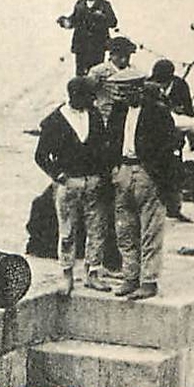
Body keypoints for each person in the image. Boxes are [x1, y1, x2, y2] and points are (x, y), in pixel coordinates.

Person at [102, 67, 186, 300]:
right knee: (125, 228)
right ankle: (130, 276)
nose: (121, 95)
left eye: (126, 90)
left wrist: (158, 177)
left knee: (150, 230)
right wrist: (115, 168)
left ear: (138, 88)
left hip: (146, 173)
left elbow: (169, 148)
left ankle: (149, 280)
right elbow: (112, 139)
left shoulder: (158, 112)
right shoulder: (119, 111)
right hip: (123, 170)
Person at [35, 76, 110, 295]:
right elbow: (40, 156)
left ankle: (92, 273)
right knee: (67, 232)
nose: (93, 101)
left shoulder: (94, 116)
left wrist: (102, 176)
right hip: (69, 183)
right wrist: (58, 175)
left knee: (97, 229)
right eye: (89, 96)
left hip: (93, 181)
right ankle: (67, 275)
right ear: (75, 96)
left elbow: (102, 146)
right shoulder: (54, 121)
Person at [148, 58, 194, 222]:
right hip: (155, 137)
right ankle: (156, 207)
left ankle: (174, 208)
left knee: (175, 171)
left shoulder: (180, 86)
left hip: (175, 135)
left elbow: (189, 110)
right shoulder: (149, 85)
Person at [57, 0, 119, 76]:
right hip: (81, 44)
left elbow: (113, 22)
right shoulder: (80, 4)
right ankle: (81, 91)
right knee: (81, 72)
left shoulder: (104, 5)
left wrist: (102, 17)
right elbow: (74, 20)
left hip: (98, 45)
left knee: (97, 71)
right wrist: (65, 22)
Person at [87, 37, 139, 117]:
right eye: (120, 56)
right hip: (105, 113)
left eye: (127, 56)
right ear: (111, 55)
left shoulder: (134, 71)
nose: (124, 60)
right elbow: (88, 92)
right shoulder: (98, 71)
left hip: (127, 114)